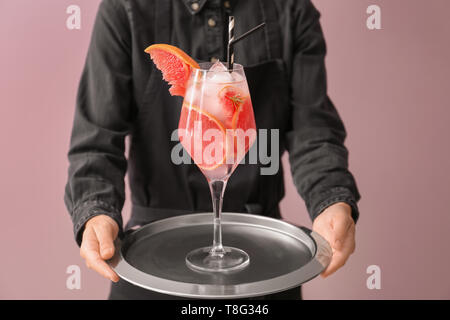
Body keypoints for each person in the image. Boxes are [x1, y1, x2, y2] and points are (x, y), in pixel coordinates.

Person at [64, 0, 360, 300]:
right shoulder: (125, 8)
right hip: (151, 253)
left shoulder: (291, 9)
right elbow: (96, 139)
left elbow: (313, 129)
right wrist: (96, 212)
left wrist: (331, 200)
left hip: (260, 256)